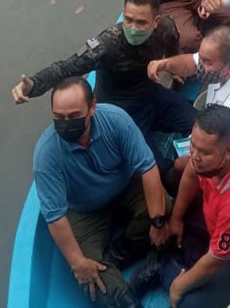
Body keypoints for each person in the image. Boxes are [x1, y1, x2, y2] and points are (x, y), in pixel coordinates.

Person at [12, 0, 195, 172]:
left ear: (156, 22)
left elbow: (172, 43)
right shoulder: (107, 45)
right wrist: (33, 85)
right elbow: (67, 67)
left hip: (151, 95)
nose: (133, 28)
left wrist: (171, 65)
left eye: (141, 23)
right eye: (128, 20)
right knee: (160, 170)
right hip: (122, 114)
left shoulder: (165, 27)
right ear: (123, 14)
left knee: (199, 123)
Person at [33, 77, 169, 308]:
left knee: (164, 205)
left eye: (74, 116)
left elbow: (147, 167)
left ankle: (121, 252)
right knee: (90, 277)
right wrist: (78, 263)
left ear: (92, 107)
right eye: (59, 118)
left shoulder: (116, 121)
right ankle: (127, 301)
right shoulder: (46, 155)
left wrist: (157, 223)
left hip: (125, 187)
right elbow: (55, 217)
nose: (66, 123)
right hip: (85, 211)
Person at [128, 105, 230, 308]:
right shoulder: (215, 157)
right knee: (174, 178)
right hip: (215, 213)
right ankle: (175, 258)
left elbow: (216, 260)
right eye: (193, 145)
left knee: (189, 303)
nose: (195, 156)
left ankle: (164, 268)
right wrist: (176, 218)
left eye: (204, 152)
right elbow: (191, 172)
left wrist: (178, 286)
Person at [147, 27, 230, 175]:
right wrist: (165, 64)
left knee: (173, 174)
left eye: (207, 63)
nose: (201, 66)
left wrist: (175, 165)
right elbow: (194, 62)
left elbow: (215, 158)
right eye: (202, 59)